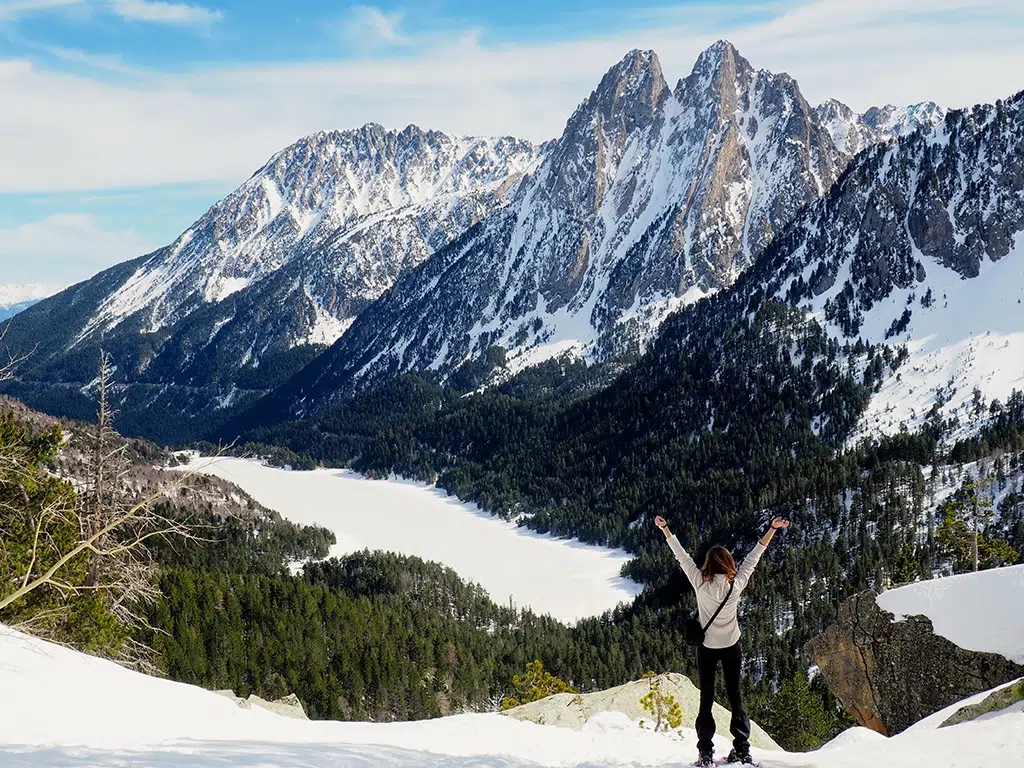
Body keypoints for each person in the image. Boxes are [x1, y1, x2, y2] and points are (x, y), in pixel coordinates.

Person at [654, 514, 790, 767]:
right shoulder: (735, 584)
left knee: (706, 699)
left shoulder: (700, 583)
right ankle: (742, 750)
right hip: (731, 646)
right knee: (735, 697)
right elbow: (754, 557)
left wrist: (666, 529)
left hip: (707, 648)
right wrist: (772, 528)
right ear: (727, 563)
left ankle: (705, 753)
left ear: (707, 564)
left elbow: (681, 557)